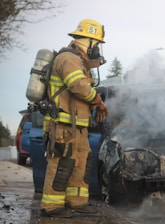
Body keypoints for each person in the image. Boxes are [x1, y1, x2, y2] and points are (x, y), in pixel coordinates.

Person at [40, 18, 108, 218]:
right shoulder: (68, 58)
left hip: (77, 126)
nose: (97, 49)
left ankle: (77, 202)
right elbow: (77, 85)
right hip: (62, 124)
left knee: (81, 163)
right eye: (96, 44)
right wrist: (97, 100)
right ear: (86, 40)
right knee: (61, 164)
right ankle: (51, 206)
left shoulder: (79, 61)